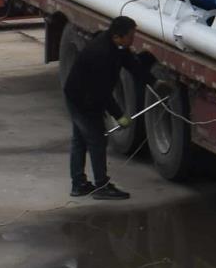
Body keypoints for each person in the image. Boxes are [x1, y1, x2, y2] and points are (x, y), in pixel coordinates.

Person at [64, 16, 155, 200]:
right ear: (117, 36)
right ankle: (101, 186)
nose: (133, 40)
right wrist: (119, 116)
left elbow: (132, 65)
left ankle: (79, 184)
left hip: (82, 94)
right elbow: (102, 93)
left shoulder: (116, 46)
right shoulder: (102, 53)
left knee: (80, 140)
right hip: (82, 99)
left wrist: (153, 82)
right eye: (130, 36)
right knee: (96, 141)